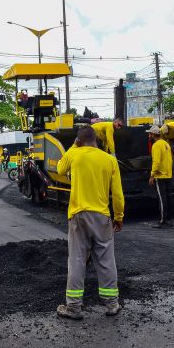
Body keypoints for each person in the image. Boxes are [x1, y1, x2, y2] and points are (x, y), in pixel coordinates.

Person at [56, 125, 125, 320]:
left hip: (78, 215)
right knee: (106, 260)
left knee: (77, 260)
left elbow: (60, 169)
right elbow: (118, 194)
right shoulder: (110, 160)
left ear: (79, 140)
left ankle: (73, 308)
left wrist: (73, 146)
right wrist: (118, 216)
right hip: (102, 216)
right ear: (97, 140)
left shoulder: (75, 155)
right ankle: (112, 304)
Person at [147, 125, 173, 228]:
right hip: (168, 174)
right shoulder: (166, 143)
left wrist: (152, 175)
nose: (149, 136)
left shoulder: (156, 145)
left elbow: (156, 162)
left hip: (160, 175)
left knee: (162, 199)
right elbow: (170, 159)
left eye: (149, 134)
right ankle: (169, 220)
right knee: (168, 197)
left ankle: (162, 221)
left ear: (153, 134)